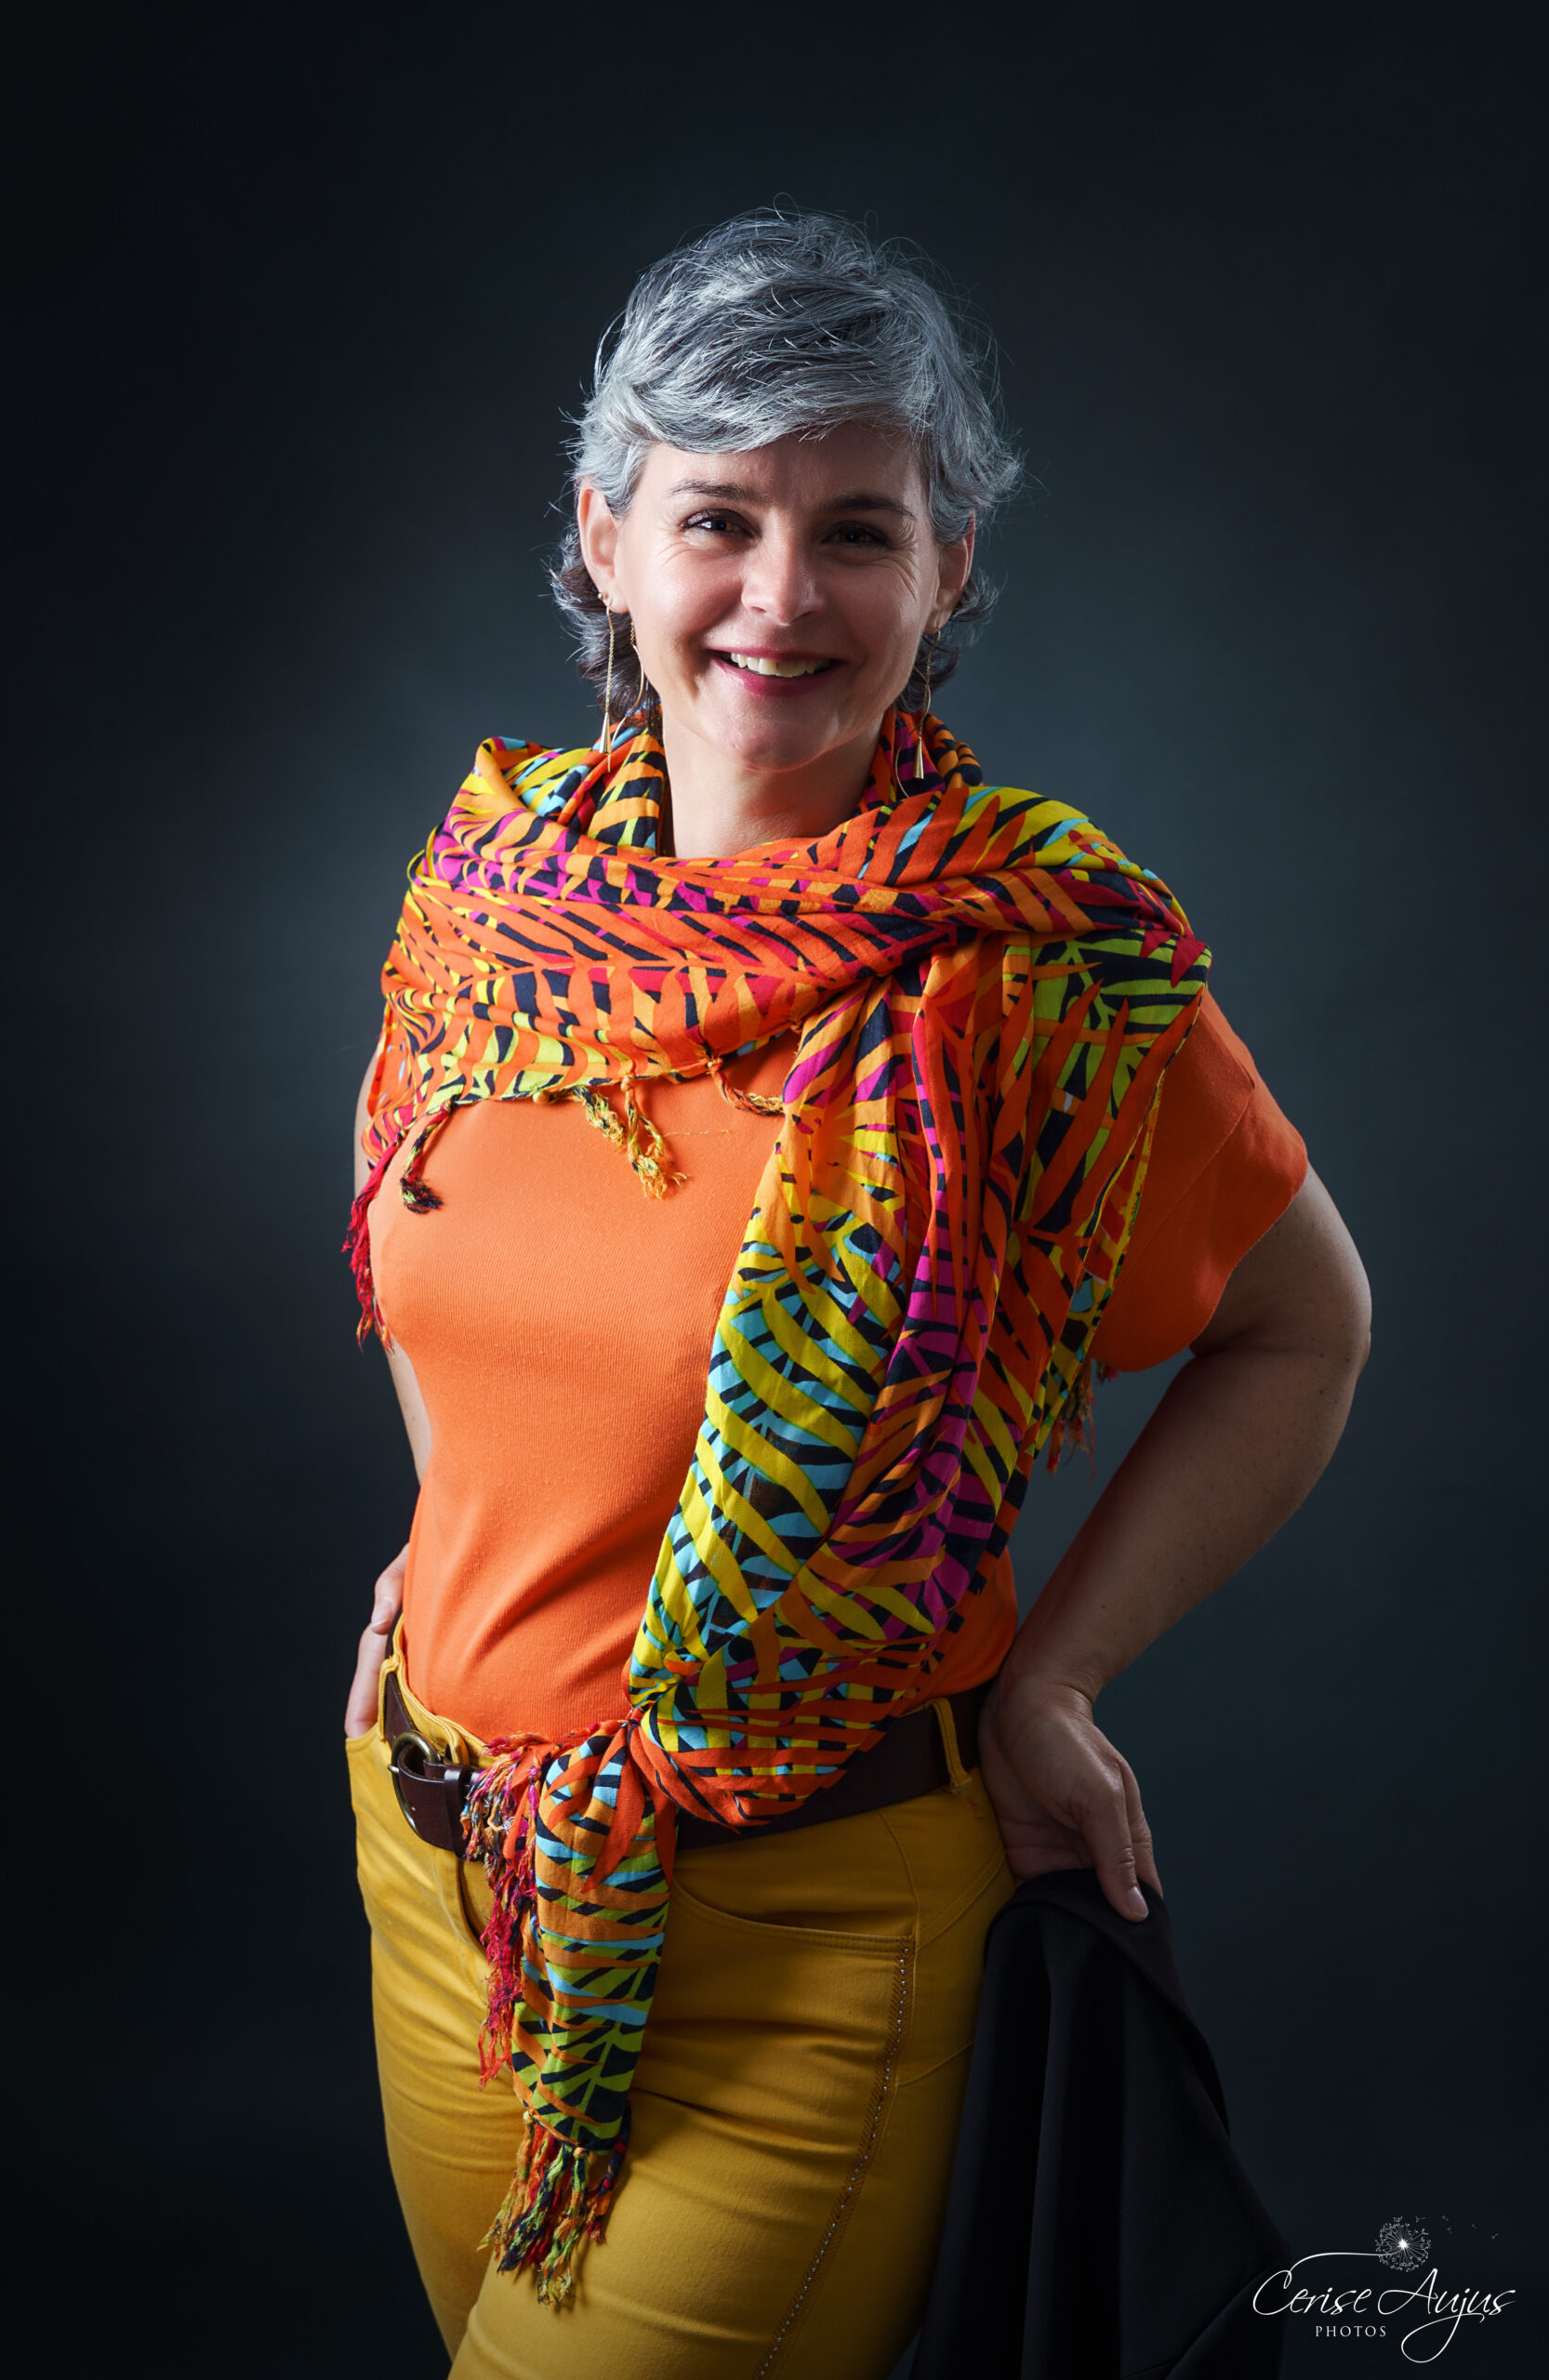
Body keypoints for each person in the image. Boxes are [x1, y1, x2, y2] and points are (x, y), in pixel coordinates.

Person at [341, 210, 1370, 2380]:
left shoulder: (1040, 973)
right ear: (606, 539)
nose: (781, 594)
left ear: (944, 567)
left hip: (809, 1923)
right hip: (447, 1885)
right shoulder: (491, 917)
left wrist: (1055, 1679)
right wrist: (451, 1556)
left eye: (856, 530)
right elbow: (437, 1282)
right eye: (717, 516)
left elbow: (1301, 1324)